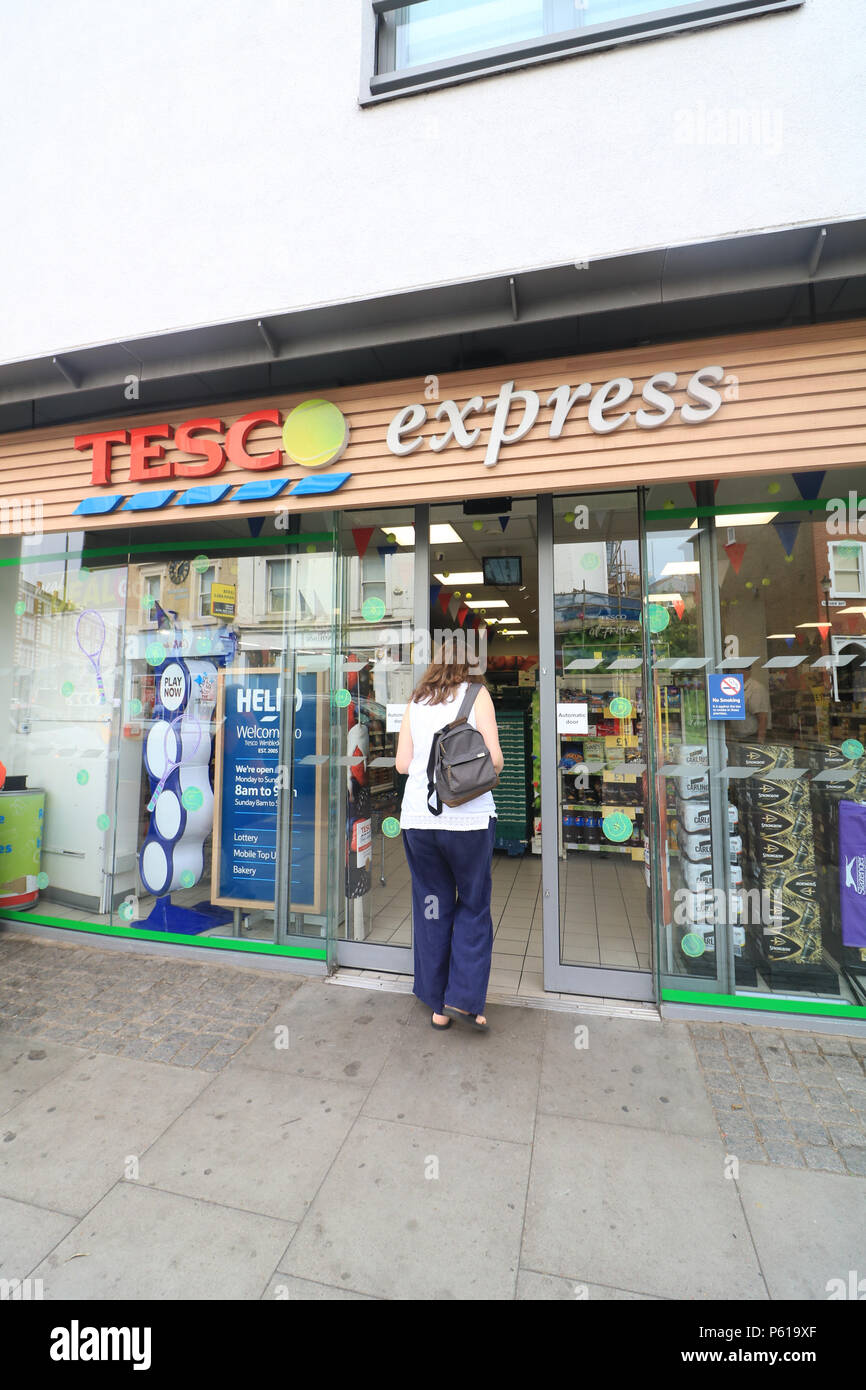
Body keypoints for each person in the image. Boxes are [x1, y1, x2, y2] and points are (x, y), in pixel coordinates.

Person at [395, 653, 503, 1032]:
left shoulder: (416, 700)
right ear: (470, 668)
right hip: (469, 820)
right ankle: (465, 999)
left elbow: (402, 763)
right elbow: (496, 759)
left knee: (431, 906)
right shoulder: (478, 695)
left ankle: (436, 1004)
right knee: (473, 905)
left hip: (419, 820)